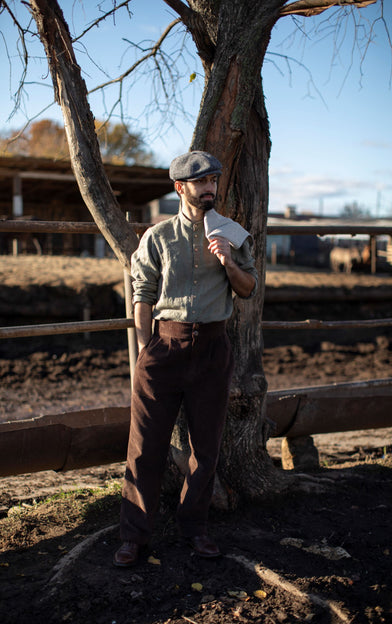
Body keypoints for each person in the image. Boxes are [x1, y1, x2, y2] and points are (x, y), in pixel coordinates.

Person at [114, 151, 258, 567]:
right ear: (181, 188)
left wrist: (229, 262)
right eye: (201, 182)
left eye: (214, 180)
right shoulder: (157, 238)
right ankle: (134, 536)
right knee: (145, 447)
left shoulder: (232, 234)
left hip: (213, 349)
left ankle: (195, 528)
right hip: (165, 349)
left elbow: (247, 289)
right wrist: (145, 350)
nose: (210, 188)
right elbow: (142, 295)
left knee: (206, 447)